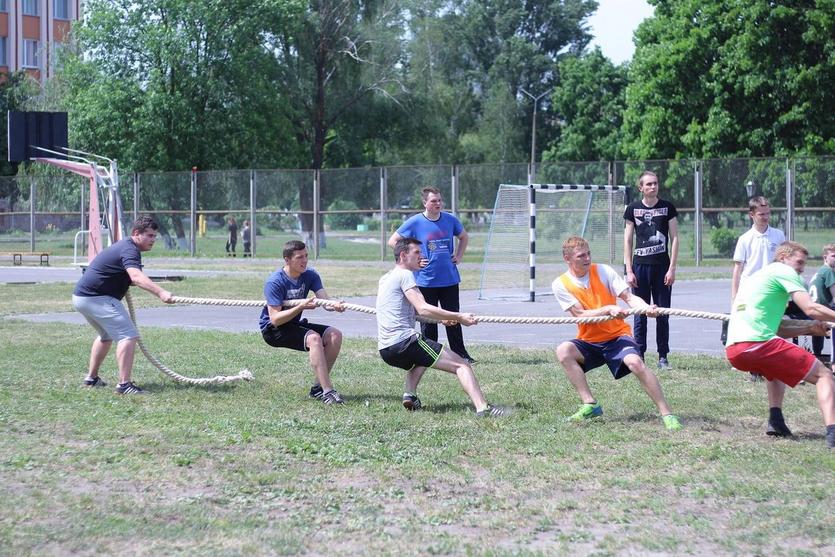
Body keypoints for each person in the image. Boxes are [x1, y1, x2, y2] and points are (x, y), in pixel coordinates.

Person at [553, 236, 682, 431]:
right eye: (581, 256)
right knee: (564, 351)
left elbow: (629, 297)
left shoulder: (603, 271)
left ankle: (667, 414)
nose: (587, 258)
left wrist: (646, 307)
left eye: (588, 254)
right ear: (567, 258)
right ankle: (590, 404)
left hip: (617, 337)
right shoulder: (560, 283)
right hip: (589, 341)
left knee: (636, 363)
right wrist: (608, 309)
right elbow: (579, 314)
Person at [376, 237, 510, 417]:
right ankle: (482, 408)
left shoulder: (385, 278)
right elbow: (423, 308)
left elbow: (411, 314)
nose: (421, 256)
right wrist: (459, 316)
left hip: (386, 349)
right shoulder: (405, 275)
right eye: (416, 253)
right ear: (402, 255)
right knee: (462, 365)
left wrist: (441, 320)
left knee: (422, 358)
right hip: (404, 342)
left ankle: (410, 395)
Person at [725, 241, 835, 448]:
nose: (802, 269)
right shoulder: (784, 272)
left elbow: (777, 329)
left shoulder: (759, 277)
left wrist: (810, 329)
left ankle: (775, 421)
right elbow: (811, 308)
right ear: (784, 257)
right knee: (824, 375)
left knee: (772, 368)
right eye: (799, 262)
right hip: (757, 343)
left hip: (734, 350)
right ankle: (833, 433)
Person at [72, 216, 174, 394]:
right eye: (149, 235)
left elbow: (126, 275)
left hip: (82, 297)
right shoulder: (130, 249)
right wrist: (161, 292)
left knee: (106, 335)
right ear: (136, 233)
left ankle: (91, 378)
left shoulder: (126, 246)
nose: (153, 240)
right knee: (128, 336)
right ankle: (124, 385)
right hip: (97, 297)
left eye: (155, 236)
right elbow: (136, 277)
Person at [387, 186, 475, 363]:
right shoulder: (415, 222)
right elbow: (393, 241)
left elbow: (464, 237)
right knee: (428, 320)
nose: (438, 204)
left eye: (440, 200)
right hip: (426, 280)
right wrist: (414, 260)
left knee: (453, 317)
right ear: (425, 203)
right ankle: (430, 355)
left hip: (449, 278)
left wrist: (458, 256)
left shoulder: (450, 220)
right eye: (433, 201)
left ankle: (461, 354)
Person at [259, 240, 347, 404]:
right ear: (287, 260)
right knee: (314, 339)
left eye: (306, 256)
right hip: (273, 330)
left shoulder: (310, 275)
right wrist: (301, 307)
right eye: (299, 257)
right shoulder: (275, 281)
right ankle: (328, 392)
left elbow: (324, 301)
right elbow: (275, 319)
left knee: (335, 335)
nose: (305, 260)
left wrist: (334, 305)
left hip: (292, 324)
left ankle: (318, 389)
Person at [623, 170, 679, 370]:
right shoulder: (633, 209)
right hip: (640, 268)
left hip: (662, 267)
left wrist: (672, 268)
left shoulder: (667, 208)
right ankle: (639, 354)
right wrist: (629, 270)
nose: (652, 187)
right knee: (640, 313)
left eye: (655, 183)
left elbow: (675, 239)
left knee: (663, 313)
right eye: (648, 184)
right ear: (641, 188)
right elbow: (628, 240)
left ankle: (663, 356)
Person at [729, 196, 786, 380]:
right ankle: (755, 369)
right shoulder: (745, 239)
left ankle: (769, 367)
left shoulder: (778, 235)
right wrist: (735, 297)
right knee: (754, 331)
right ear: (751, 215)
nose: (765, 217)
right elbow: (737, 270)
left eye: (768, 213)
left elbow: (784, 263)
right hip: (750, 292)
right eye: (761, 214)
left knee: (771, 328)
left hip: (772, 291)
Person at [809, 244, 835, 359]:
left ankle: (817, 354)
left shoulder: (820, 271)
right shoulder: (829, 271)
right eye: (833, 256)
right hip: (822, 309)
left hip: (813, 309)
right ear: (825, 257)